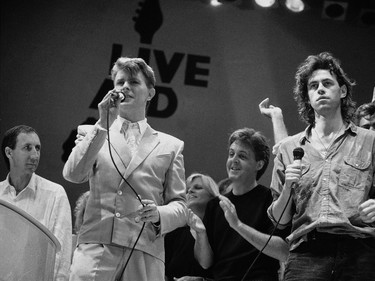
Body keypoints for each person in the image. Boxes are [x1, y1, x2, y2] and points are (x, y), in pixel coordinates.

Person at [63, 57, 187, 281]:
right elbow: (73, 174)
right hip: (97, 246)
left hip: (145, 251)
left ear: (150, 93)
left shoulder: (171, 146)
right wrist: (102, 125)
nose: (125, 87)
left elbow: (180, 206)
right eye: (120, 82)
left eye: (133, 82)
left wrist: (160, 213)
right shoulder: (92, 131)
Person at [268, 52, 375, 281]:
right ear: (307, 96)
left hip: (360, 252)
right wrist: (287, 187)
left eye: (327, 83)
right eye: (313, 86)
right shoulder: (289, 148)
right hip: (307, 255)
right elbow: (280, 221)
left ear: (342, 91)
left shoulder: (370, 141)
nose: (320, 89)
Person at [189, 128, 289, 281]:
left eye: (242, 156)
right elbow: (205, 263)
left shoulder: (271, 199)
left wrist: (238, 225)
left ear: (259, 165)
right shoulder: (215, 205)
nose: (233, 160)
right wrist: (201, 234)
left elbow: (283, 251)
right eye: (231, 154)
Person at [0, 125, 72, 281]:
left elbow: (62, 254)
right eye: (27, 148)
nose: (35, 155)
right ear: (9, 152)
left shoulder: (55, 193)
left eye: (37, 148)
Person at [165, 173, 218, 281]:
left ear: (212, 196)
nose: (190, 191)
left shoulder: (218, 228)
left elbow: (205, 264)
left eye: (197, 188)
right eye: (187, 189)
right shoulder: (174, 231)